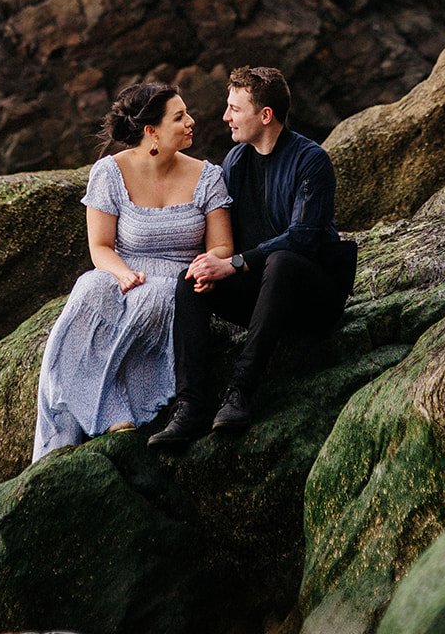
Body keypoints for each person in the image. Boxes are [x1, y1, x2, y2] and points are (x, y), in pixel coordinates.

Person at [148, 64, 356, 447]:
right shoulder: (236, 162)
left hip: (314, 298)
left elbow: (304, 239)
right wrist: (212, 264)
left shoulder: (311, 160)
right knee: (191, 280)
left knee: (282, 262)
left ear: (265, 115)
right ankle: (191, 406)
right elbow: (222, 234)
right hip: (262, 294)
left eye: (234, 109)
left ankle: (240, 391)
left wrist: (236, 264)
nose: (226, 117)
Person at [31, 81, 233, 462]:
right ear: (150, 131)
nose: (191, 121)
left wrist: (211, 264)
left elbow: (221, 246)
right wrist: (122, 273)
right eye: (180, 117)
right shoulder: (109, 173)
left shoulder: (208, 176)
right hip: (120, 269)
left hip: (177, 277)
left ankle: (121, 408)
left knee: (154, 298)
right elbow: (100, 247)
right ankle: (97, 410)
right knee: (88, 291)